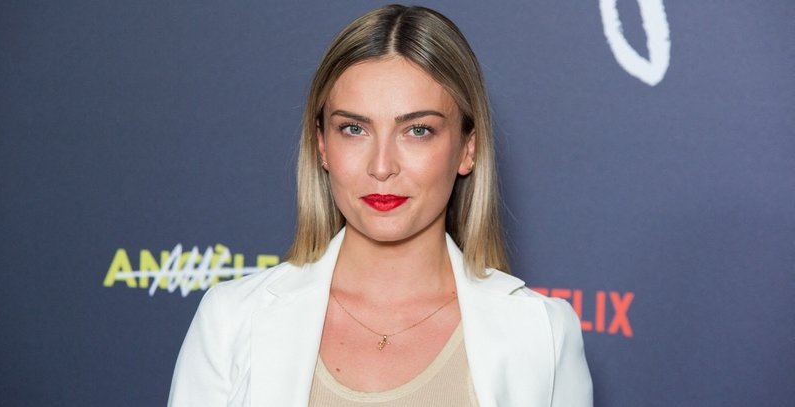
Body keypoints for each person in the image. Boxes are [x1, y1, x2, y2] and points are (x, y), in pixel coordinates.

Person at [168, 4, 592, 406]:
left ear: (468, 149)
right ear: (321, 145)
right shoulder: (231, 321)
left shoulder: (542, 333)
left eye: (418, 130)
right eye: (354, 129)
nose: (382, 166)